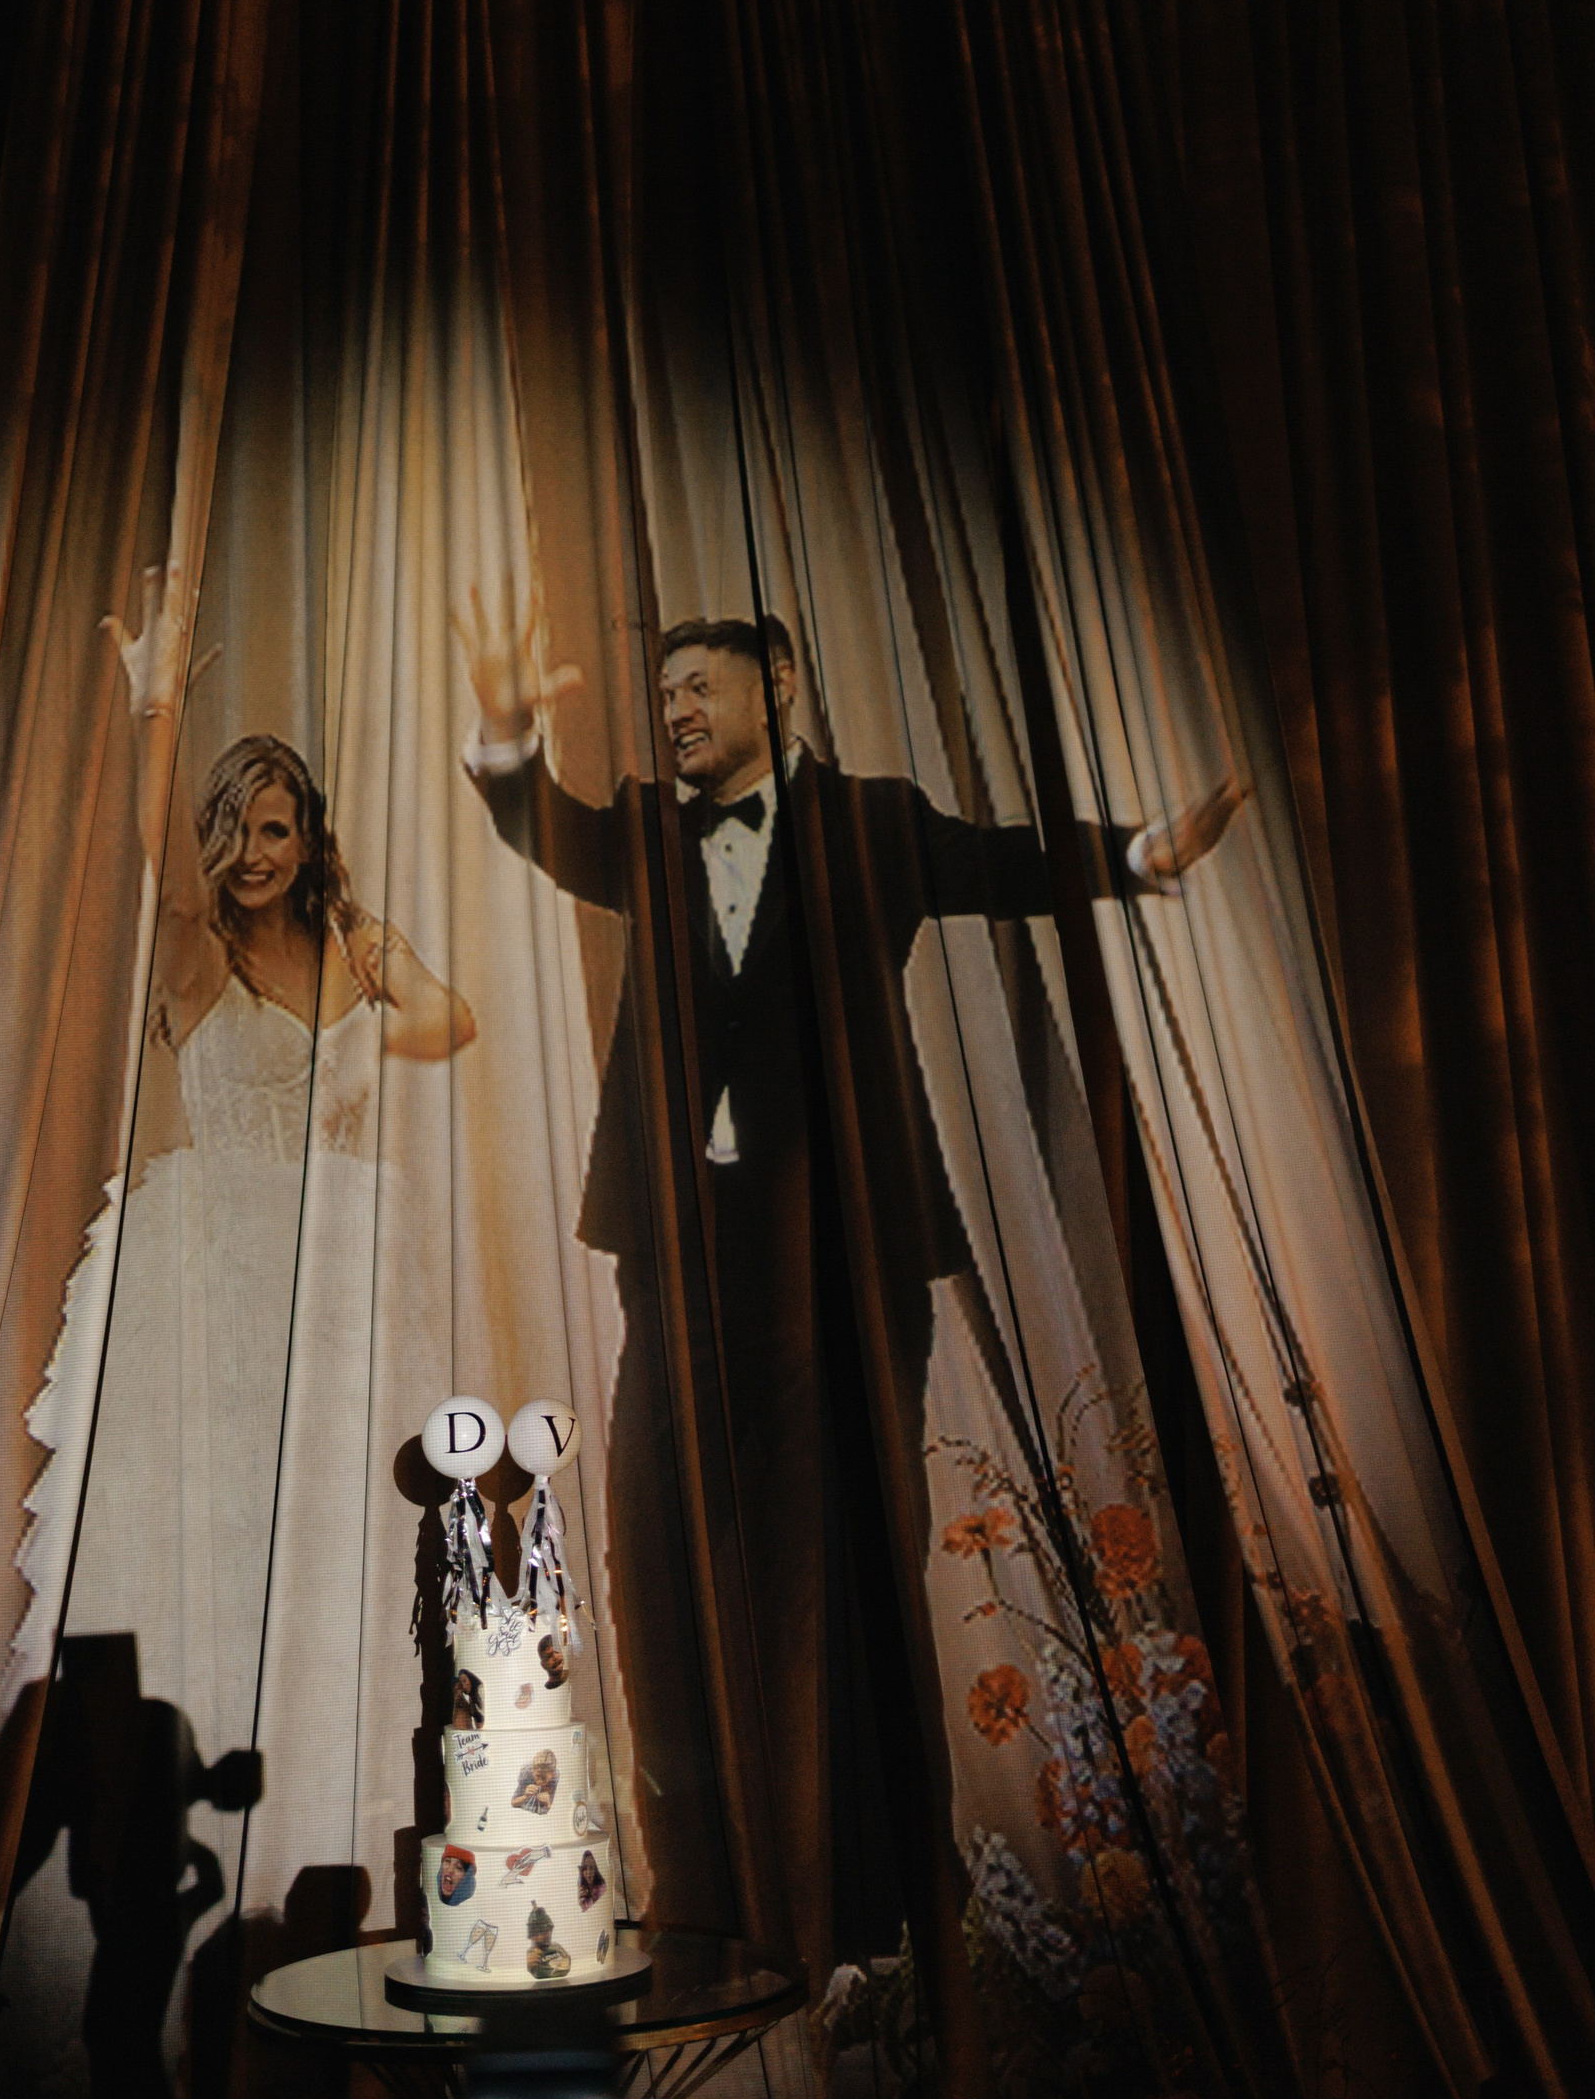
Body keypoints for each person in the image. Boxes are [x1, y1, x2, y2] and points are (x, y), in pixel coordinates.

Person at [454, 587, 1241, 1966]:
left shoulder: (872, 822)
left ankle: (887, 1904)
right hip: (681, 1265)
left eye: (700, 687)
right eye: (665, 695)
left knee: (851, 1564)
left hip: (849, 1262)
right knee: (660, 1556)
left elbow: (1005, 864)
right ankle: (706, 1901)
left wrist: (1136, 855)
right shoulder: (644, 829)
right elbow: (546, 828)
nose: (677, 712)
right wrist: (510, 736)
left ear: (779, 685)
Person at [23, 563, 474, 1800]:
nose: (256, 853)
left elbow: (453, 1019)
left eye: (279, 830)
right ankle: (216, 1793)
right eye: (238, 829)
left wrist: (381, 1025)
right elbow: (165, 864)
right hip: (221, 1267)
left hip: (343, 1274)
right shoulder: (197, 953)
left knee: (346, 1533)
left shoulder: (352, 945)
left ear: (310, 839)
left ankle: (336, 1787)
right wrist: (155, 712)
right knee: (225, 1537)